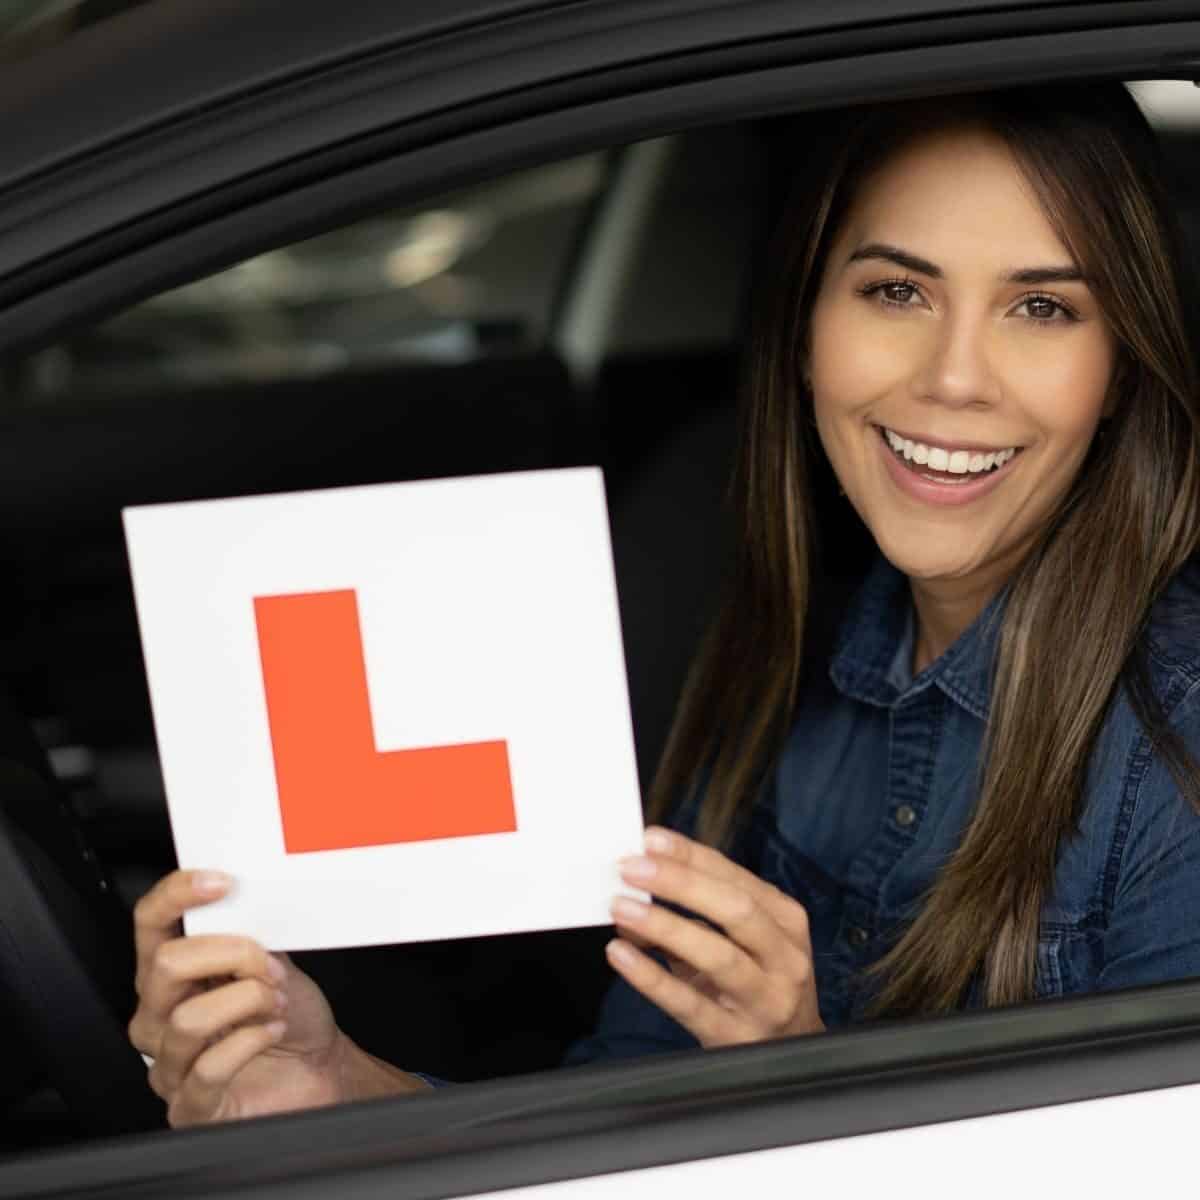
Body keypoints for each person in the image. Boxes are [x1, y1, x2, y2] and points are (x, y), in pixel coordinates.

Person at [128, 80, 1200, 1125]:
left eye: (1043, 307)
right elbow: (621, 1119)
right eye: (896, 291)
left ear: (1122, 367)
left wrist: (800, 1092)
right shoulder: (773, 679)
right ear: (804, 326)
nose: (956, 377)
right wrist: (333, 1087)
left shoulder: (1178, 745)